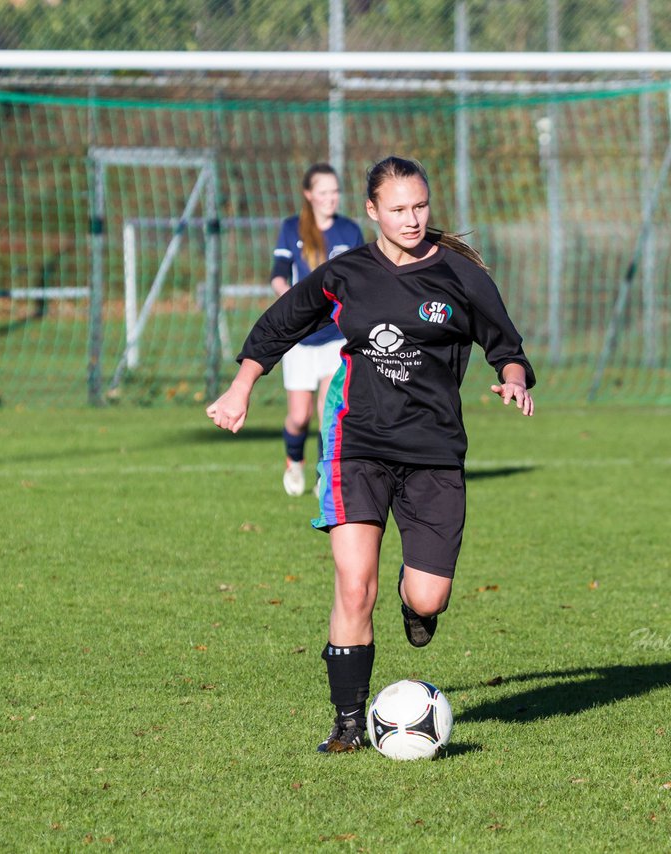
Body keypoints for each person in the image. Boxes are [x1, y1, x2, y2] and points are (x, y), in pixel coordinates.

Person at [206, 155, 535, 754]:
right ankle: (348, 722)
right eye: (399, 209)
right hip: (356, 444)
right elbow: (282, 322)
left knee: (427, 595)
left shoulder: (460, 277)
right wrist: (242, 385)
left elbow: (504, 342)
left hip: (433, 451)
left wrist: (513, 377)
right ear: (373, 212)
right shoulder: (347, 273)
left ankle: (420, 611)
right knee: (355, 585)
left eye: (421, 207)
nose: (412, 219)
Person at [270, 163, 365, 496]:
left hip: (335, 337)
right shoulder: (291, 228)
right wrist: (292, 302)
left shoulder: (350, 231)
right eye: (323, 192)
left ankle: (324, 474)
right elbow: (278, 275)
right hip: (300, 339)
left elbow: (358, 280)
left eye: (335, 191)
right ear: (309, 195)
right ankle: (293, 462)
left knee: (329, 411)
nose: (330, 198)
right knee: (299, 416)